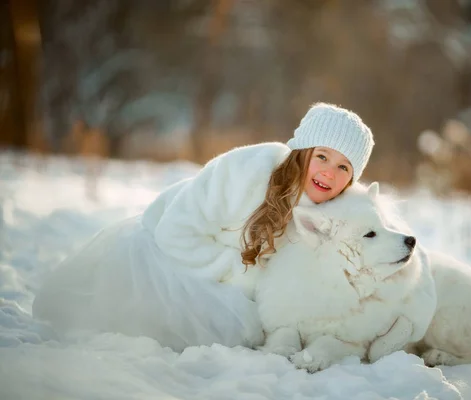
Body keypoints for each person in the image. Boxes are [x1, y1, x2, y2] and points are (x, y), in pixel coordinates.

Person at [32, 102, 375, 351]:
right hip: (165, 258)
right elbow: (175, 233)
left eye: (345, 167)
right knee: (231, 329)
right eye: (323, 157)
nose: (330, 173)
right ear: (302, 152)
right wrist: (240, 275)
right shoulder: (246, 170)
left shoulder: (332, 213)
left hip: (236, 280)